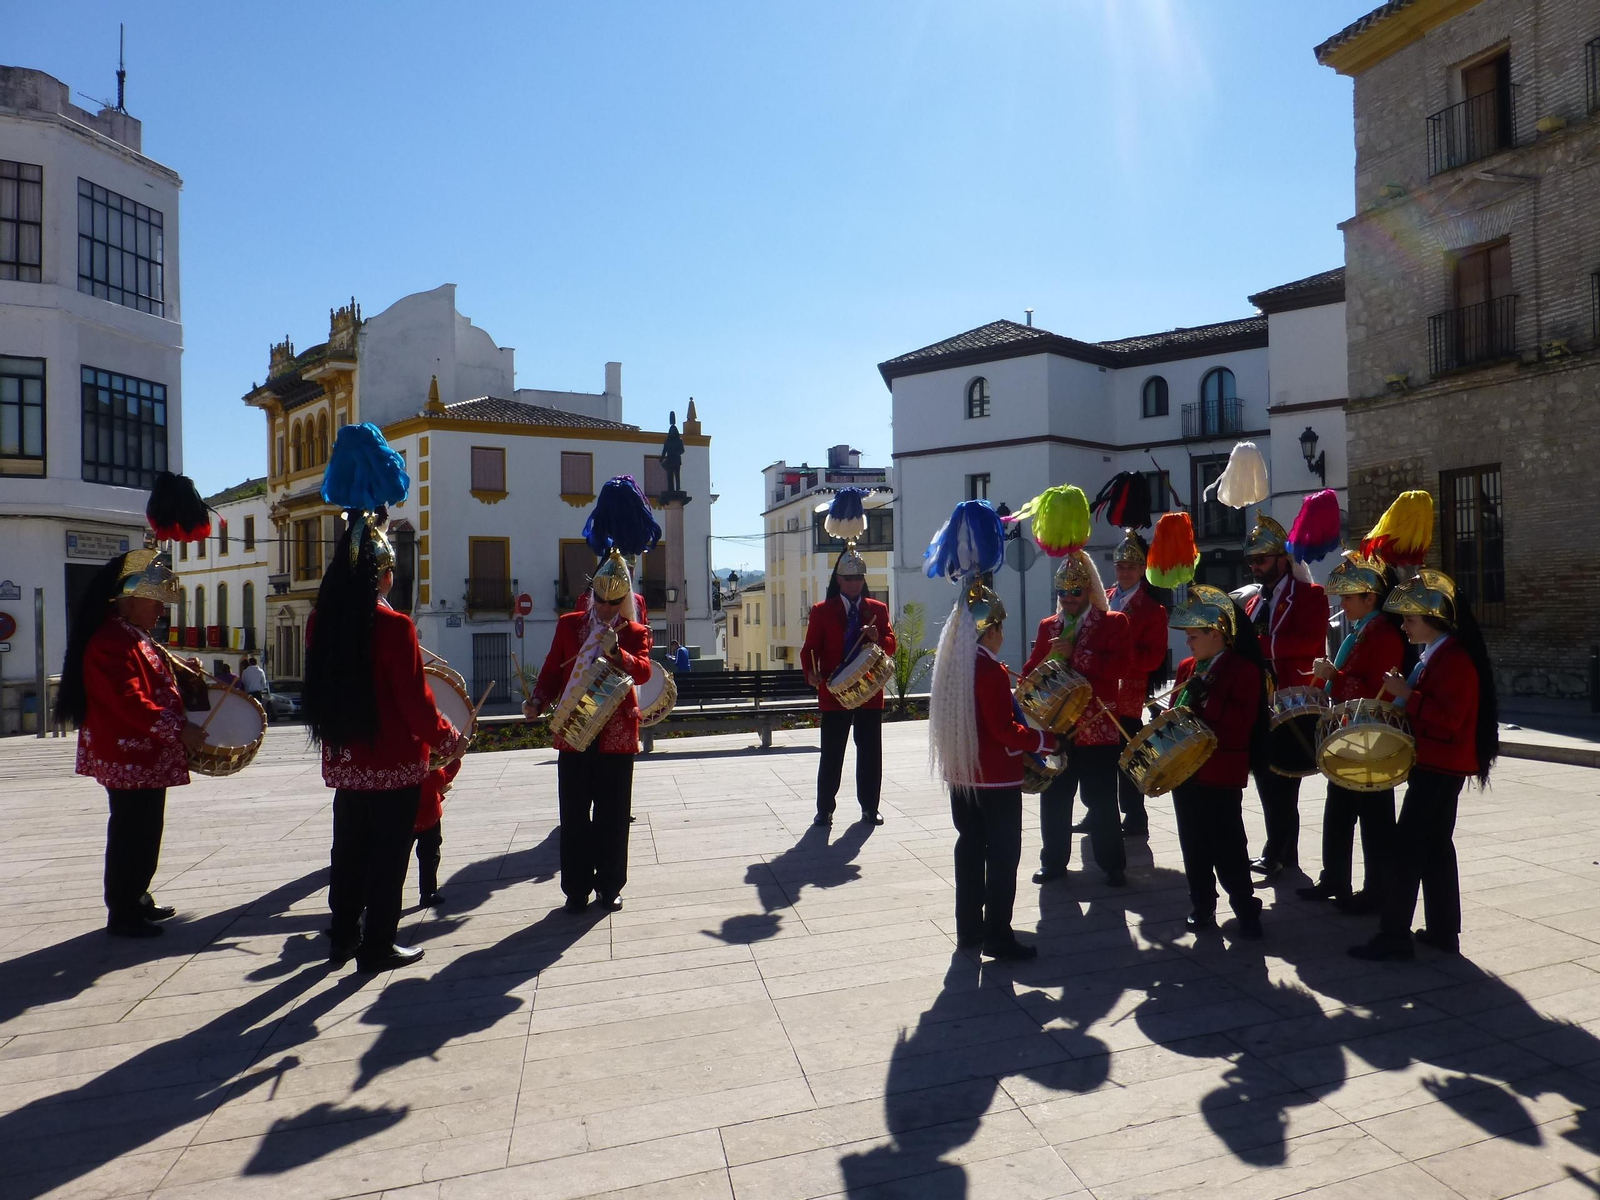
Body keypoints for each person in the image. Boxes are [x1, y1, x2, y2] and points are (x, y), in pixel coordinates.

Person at [304, 515, 461, 972]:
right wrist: (447, 736)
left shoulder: (320, 623)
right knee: (389, 857)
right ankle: (377, 945)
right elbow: (415, 701)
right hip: (393, 762)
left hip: (347, 762)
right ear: (385, 574)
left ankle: (343, 935)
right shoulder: (395, 628)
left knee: (348, 851)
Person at [59, 548, 209, 937]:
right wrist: (177, 729)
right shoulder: (112, 640)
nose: (161, 612)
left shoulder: (130, 635)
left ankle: (137, 896)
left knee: (145, 828)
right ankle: (123, 909)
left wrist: (185, 674)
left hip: (142, 753)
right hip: (129, 752)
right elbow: (128, 700)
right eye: (155, 603)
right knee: (131, 831)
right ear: (130, 600)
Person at [1350, 568, 1498, 961]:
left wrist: (1407, 695)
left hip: (1441, 765)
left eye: (1410, 619)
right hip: (1437, 764)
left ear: (1434, 620)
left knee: (1406, 851)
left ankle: (1394, 935)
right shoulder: (1439, 653)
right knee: (1434, 850)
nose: (1403, 626)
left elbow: (1449, 717)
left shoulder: (1455, 659)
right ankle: (1443, 931)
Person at [524, 548, 654, 912]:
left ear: (624, 598)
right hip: (574, 731)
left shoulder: (635, 631)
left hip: (616, 736)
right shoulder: (569, 625)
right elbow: (552, 671)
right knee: (575, 812)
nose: (607, 608)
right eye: (601, 600)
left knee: (613, 814)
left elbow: (643, 671)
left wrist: (618, 654)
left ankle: (609, 886)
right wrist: (537, 700)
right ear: (591, 593)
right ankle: (576, 888)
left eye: (615, 602)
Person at [933, 582, 1057, 960]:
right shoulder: (987, 669)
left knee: (969, 850)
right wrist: (1046, 742)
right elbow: (1003, 729)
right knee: (1003, 857)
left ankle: (969, 928)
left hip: (962, 776)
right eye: (1000, 628)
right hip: (997, 779)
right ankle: (998, 936)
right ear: (991, 631)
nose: (1003, 635)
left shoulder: (953, 666)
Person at [1297, 551, 1405, 913]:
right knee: (1339, 810)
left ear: (1369, 598)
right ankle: (1334, 878)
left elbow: (1381, 690)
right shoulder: (1363, 630)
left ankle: (1378, 890)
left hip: (1372, 738)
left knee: (1374, 819)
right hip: (1349, 733)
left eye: (1348, 597)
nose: (1341, 603)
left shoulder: (1384, 634)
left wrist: (1334, 677)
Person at [1024, 550, 1130, 887]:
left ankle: (1112, 864)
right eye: (1063, 593)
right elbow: (1029, 673)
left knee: (1100, 799)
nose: (1068, 599)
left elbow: (1118, 668)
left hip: (1097, 727)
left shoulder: (1113, 622)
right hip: (1058, 726)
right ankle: (1053, 861)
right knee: (1054, 796)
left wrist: (1077, 654)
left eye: (1075, 592)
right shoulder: (1048, 627)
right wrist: (1043, 666)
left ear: (1089, 590)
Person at [1167, 585, 1267, 939]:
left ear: (1216, 634)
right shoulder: (1186, 667)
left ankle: (1244, 906)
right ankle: (1201, 906)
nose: (1188, 643)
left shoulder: (1244, 670)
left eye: (1194, 636)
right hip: (1185, 771)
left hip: (1221, 771)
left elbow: (1241, 724)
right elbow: (1174, 713)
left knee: (1228, 846)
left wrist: (1206, 701)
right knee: (1192, 844)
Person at [1239, 513, 1327, 880]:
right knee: (1265, 778)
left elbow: (1310, 642)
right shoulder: (1252, 601)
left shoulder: (1310, 595)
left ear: (1281, 559)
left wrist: (1257, 646)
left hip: (1292, 700)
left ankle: (1277, 851)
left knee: (1283, 780)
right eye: (1252, 562)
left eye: (1261, 560)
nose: (1255, 568)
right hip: (1258, 701)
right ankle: (1282, 851)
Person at [801, 542, 897, 827]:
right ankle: (825, 809)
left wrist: (878, 636)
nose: (855, 583)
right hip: (834, 693)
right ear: (839, 580)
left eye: (859, 578)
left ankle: (870, 808)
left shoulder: (878, 609)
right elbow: (809, 650)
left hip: (869, 691)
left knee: (870, 753)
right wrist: (811, 673)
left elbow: (891, 645)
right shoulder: (821, 610)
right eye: (849, 578)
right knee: (832, 753)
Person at [1104, 529, 1169, 838]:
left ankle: (1134, 815)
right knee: (1097, 759)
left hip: (1128, 694)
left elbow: (1153, 659)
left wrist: (1119, 648)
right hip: (1097, 691)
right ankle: (1099, 811)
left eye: (1130, 566)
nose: (1124, 571)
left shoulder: (1152, 610)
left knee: (1126, 757)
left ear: (1143, 569)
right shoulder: (1101, 598)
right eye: (1120, 566)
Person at [413, 758, 459, 907]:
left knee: (394, 858)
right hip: (429, 819)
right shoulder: (431, 772)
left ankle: (384, 895)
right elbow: (446, 776)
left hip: (401, 818)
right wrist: (457, 759)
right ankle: (427, 893)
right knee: (430, 855)